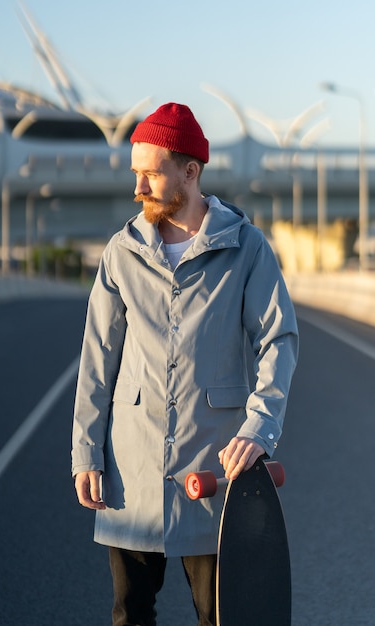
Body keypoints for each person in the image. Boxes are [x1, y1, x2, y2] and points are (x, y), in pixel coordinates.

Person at [72, 102, 299, 626]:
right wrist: (86, 451)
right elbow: (96, 359)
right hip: (131, 466)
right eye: (136, 174)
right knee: (130, 614)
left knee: (221, 615)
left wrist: (260, 428)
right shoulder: (121, 252)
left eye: (151, 173)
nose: (139, 187)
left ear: (190, 172)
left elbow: (279, 339)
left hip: (215, 469)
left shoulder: (245, 247)